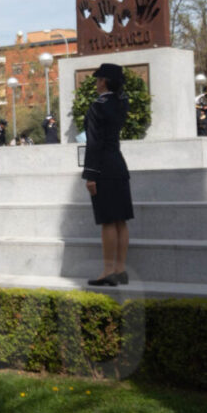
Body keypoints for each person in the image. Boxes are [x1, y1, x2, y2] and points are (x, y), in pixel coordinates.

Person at [82, 64, 133, 287]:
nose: (96, 83)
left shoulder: (98, 106)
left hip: (102, 166)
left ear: (104, 82)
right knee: (120, 220)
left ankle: (108, 270)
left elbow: (93, 143)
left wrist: (90, 174)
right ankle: (120, 269)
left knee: (108, 222)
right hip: (118, 164)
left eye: (98, 79)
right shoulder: (121, 103)